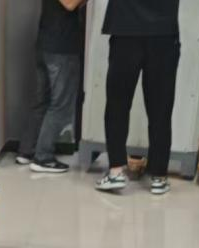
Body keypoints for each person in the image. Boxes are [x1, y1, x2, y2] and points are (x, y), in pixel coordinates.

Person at [95, 0, 181, 195]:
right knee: (161, 108)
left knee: (117, 104)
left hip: (125, 28)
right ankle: (159, 176)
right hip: (163, 32)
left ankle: (116, 171)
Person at [16, 0, 87, 174]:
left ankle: (27, 150)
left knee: (43, 101)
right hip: (60, 49)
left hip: (48, 44)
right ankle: (43, 157)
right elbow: (69, 4)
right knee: (60, 105)